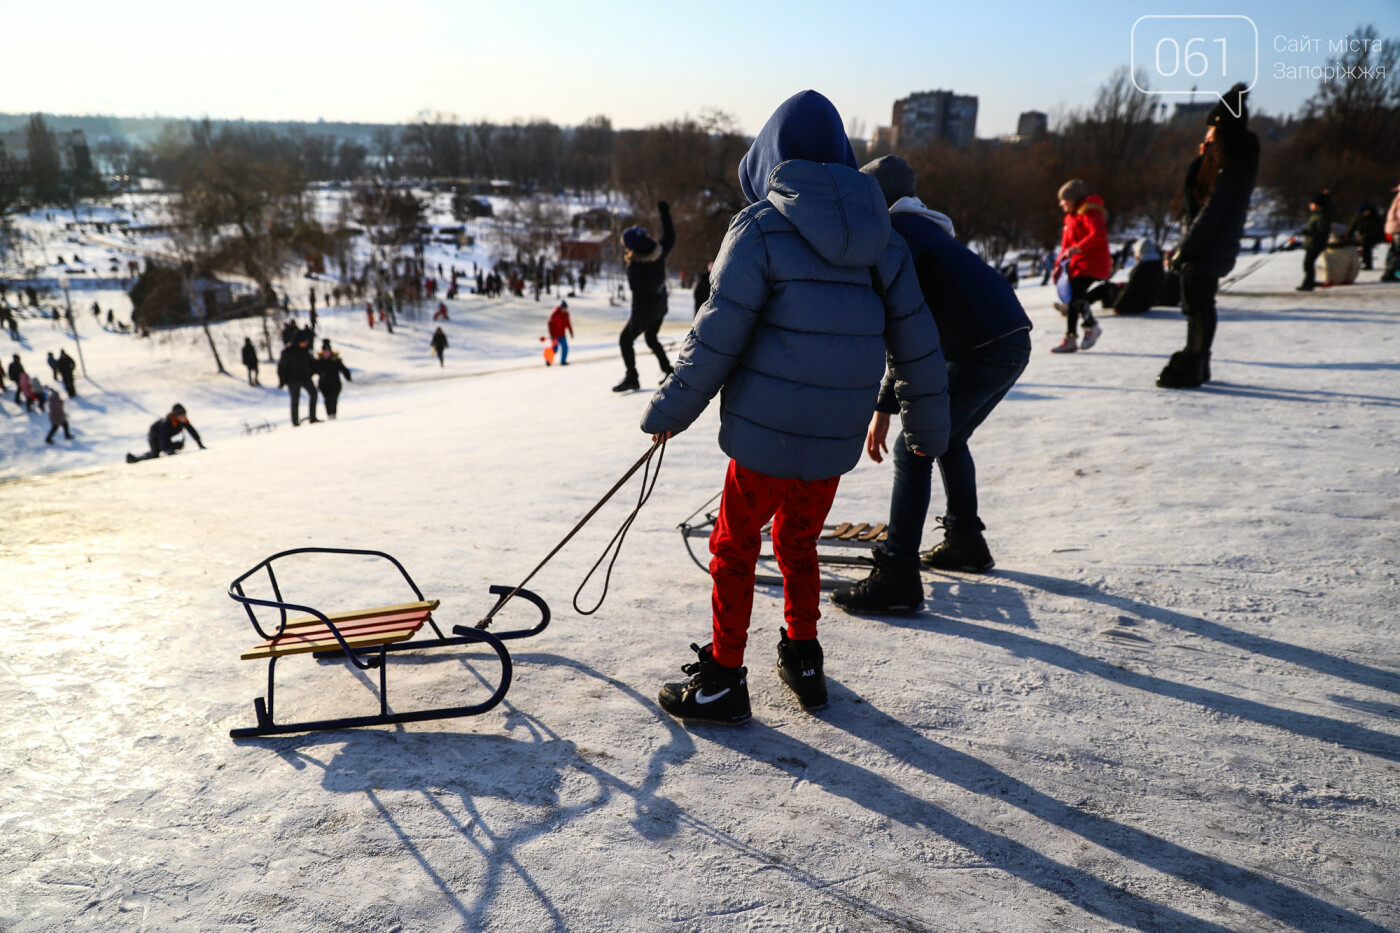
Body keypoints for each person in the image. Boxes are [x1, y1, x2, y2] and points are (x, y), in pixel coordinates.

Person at [640, 90, 950, 725]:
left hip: (764, 441)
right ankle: (803, 657)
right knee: (799, 541)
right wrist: (930, 423)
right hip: (833, 440)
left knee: (734, 545)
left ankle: (724, 677)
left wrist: (671, 408)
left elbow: (716, 333)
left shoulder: (758, 230)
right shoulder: (884, 238)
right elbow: (918, 337)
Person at [831, 155, 1032, 613]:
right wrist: (885, 404)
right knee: (949, 437)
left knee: (914, 447)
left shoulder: (897, 236)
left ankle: (898, 575)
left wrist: (883, 405)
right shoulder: (923, 229)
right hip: (1008, 339)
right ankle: (966, 542)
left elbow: (904, 328)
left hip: (980, 347)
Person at [1159, 83, 1259, 389]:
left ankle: (1194, 362)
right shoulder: (1224, 164)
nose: (1206, 137)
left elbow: (1210, 212)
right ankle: (1198, 361)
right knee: (1199, 306)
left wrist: (1184, 250)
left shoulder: (1227, 166)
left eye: (1211, 131)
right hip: (1211, 247)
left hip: (1207, 249)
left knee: (1198, 307)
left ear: (1221, 132)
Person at [613, 201, 676, 391]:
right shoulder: (658, 251)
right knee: (651, 337)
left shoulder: (636, 267)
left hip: (648, 309)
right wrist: (665, 213)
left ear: (632, 248)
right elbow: (670, 237)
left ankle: (632, 377)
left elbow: (639, 297)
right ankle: (668, 370)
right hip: (661, 305)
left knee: (625, 340)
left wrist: (636, 322)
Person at [1050, 179, 1110, 353]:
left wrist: (1078, 248)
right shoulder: (1070, 218)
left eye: (1064, 200)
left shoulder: (1090, 212)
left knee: (1076, 296)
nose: (1061, 204)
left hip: (1092, 262)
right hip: (1076, 265)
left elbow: (1097, 234)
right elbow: (1065, 247)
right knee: (1073, 300)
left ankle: (1091, 326)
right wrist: (1057, 267)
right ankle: (1070, 337)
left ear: (1073, 199)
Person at [1081, 236, 1166, 316]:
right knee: (1112, 287)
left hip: (1134, 304)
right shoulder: (1157, 263)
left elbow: (1131, 288)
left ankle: (1080, 304)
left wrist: (1119, 307)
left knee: (1104, 288)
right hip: (1145, 303)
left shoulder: (1143, 266)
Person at [126, 404, 205, 462]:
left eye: (184, 415)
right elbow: (163, 437)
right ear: (176, 416)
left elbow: (192, 431)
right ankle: (133, 459)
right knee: (155, 455)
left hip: (163, 438)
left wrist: (200, 444)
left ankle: (154, 451)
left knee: (177, 446)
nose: (184, 417)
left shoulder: (183, 421)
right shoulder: (167, 422)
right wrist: (167, 450)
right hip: (154, 435)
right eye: (181, 415)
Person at [277, 330, 320, 425]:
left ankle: (313, 417)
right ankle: (295, 421)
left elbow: (312, 362)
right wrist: (282, 381)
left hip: (305, 377)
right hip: (292, 380)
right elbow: (282, 368)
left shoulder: (305, 350)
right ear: (298, 341)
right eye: (304, 341)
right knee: (295, 400)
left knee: (314, 394)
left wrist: (317, 371)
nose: (305, 343)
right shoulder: (287, 351)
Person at [1297, 192, 1331, 291]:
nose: (1310, 206)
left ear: (1317, 205)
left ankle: (1308, 284)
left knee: (1308, 263)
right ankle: (1309, 282)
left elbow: (1321, 231)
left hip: (1315, 243)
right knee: (1308, 263)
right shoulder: (1315, 215)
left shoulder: (1321, 216)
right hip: (1311, 242)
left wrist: (1308, 232)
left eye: (1312, 204)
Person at [314, 339, 352, 419]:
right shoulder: (318, 361)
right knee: (327, 399)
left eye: (328, 351)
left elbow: (344, 369)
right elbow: (313, 370)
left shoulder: (336, 360)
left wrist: (348, 376)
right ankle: (329, 414)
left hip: (335, 384)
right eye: (325, 352)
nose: (326, 353)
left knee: (333, 398)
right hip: (323, 384)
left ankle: (333, 414)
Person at [1347, 203, 1384, 270]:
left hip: (1373, 237)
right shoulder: (1357, 218)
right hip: (1361, 237)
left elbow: (1377, 230)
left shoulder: (1375, 218)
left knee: (1366, 243)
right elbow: (1351, 229)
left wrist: (1363, 236)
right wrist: (1347, 236)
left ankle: (1367, 263)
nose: (1363, 214)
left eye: (1364, 212)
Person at [547, 300, 573, 366]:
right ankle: (548, 361)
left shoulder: (566, 314)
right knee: (554, 348)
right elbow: (549, 324)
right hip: (555, 335)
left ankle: (563, 361)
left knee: (565, 348)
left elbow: (568, 323)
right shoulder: (555, 314)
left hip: (562, 335)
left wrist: (571, 332)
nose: (565, 310)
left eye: (566, 308)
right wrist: (551, 334)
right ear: (561, 308)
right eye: (564, 308)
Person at [1384, 183, 1400, 283]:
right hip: (1398, 229)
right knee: (1398, 253)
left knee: (1396, 251)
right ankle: (1389, 273)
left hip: (1395, 228)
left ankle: (1390, 273)